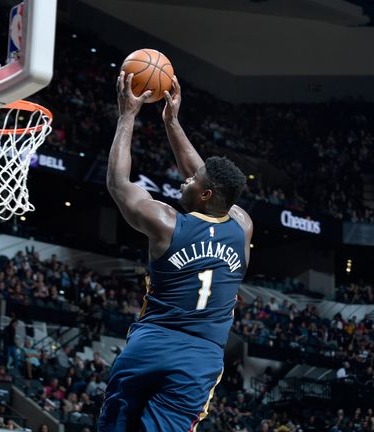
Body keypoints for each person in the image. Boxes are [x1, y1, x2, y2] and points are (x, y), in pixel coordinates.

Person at [98, 73, 252, 431]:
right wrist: (171, 121)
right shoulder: (242, 225)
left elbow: (118, 184)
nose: (186, 178)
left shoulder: (168, 223)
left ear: (206, 195)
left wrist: (127, 116)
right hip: (200, 358)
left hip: (151, 344)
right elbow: (205, 176)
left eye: (192, 183)